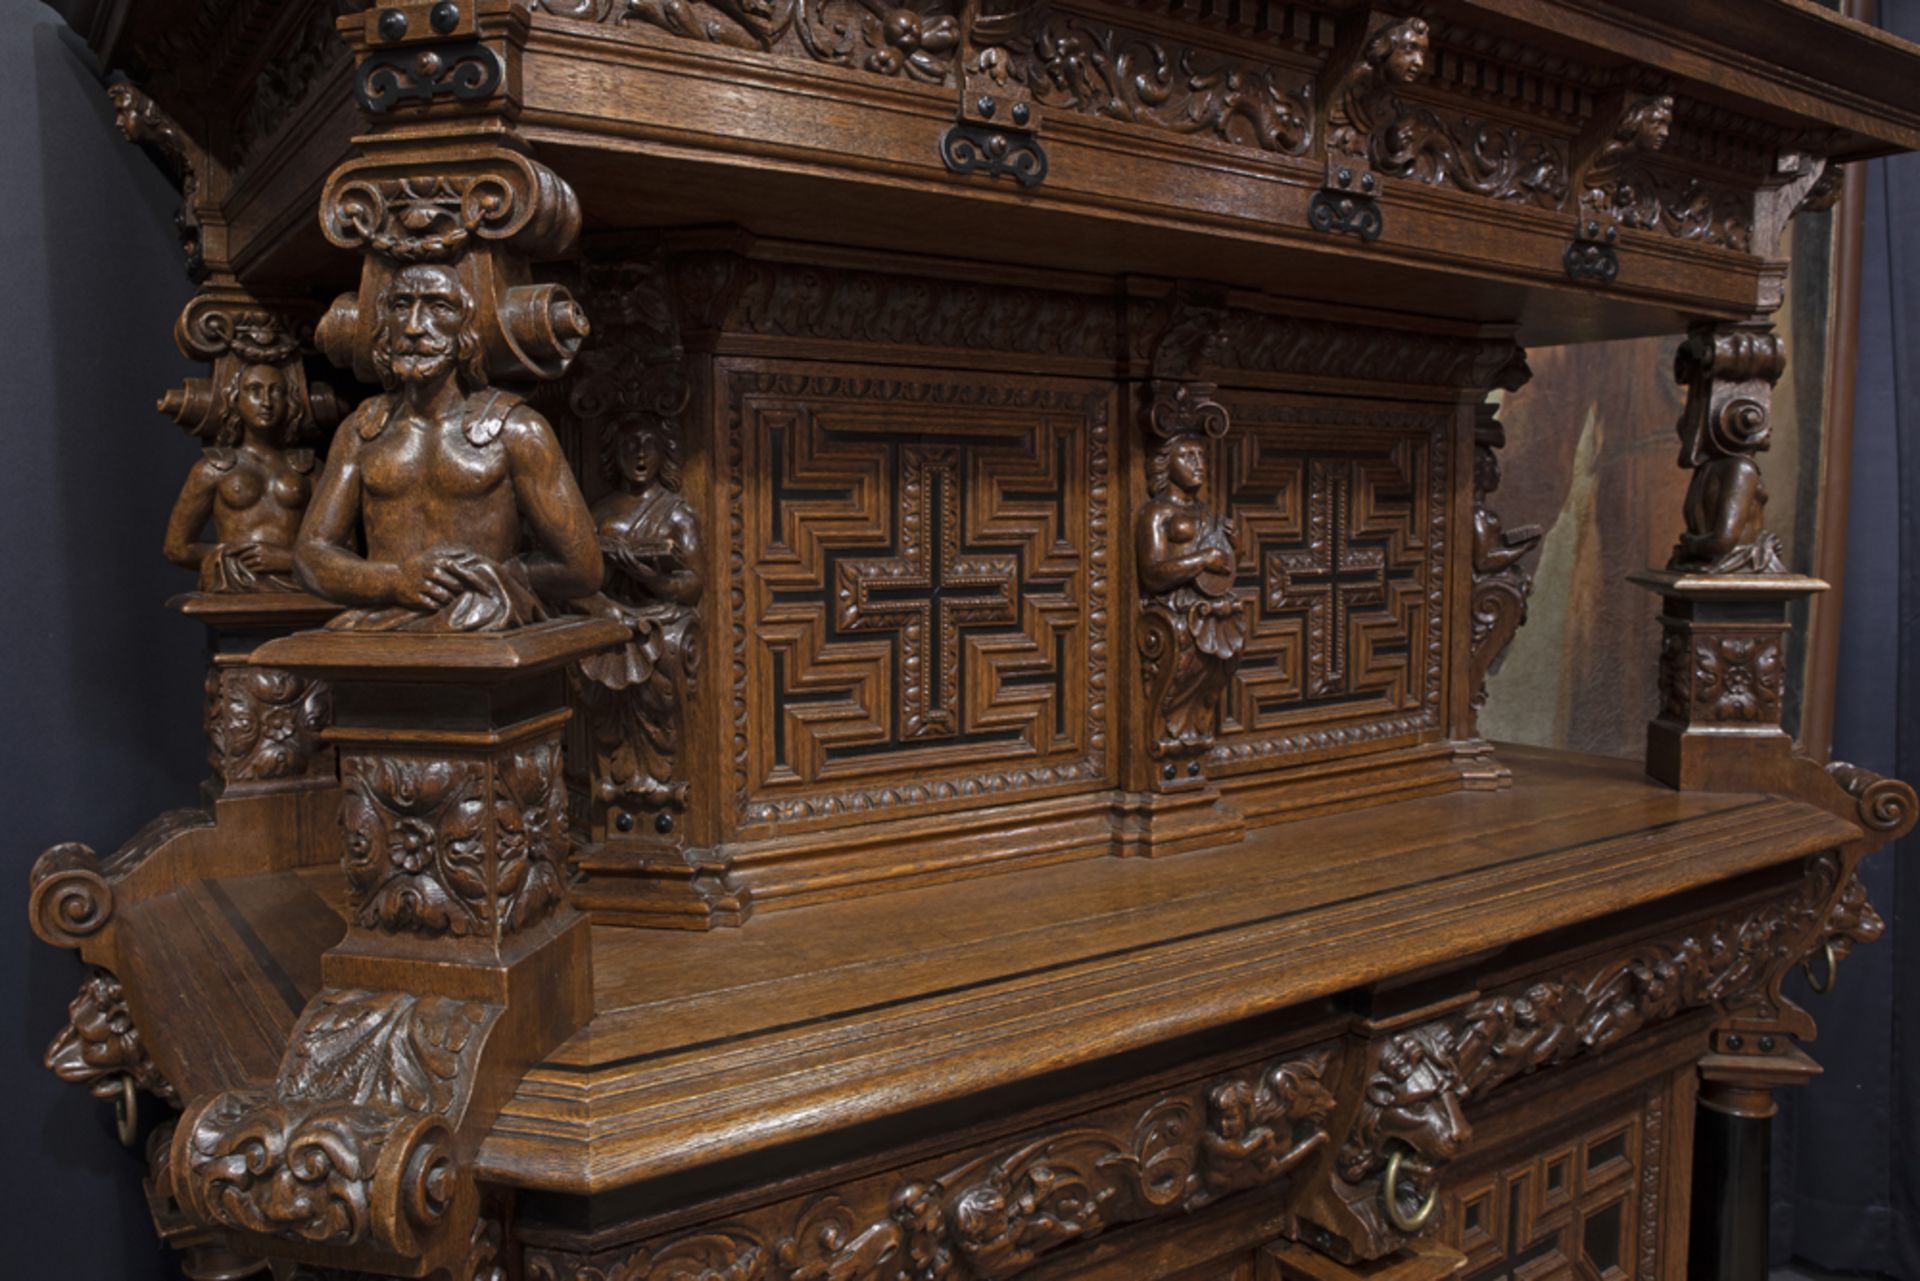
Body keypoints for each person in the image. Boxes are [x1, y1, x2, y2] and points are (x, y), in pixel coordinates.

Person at [295, 262, 602, 630]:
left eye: (439, 307)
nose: (413, 327)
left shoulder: (517, 431)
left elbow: (581, 568)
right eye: (400, 306)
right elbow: (310, 557)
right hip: (381, 630)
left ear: (467, 326)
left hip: (482, 627)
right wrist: (395, 580)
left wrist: (486, 578)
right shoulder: (361, 432)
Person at [163, 360, 314, 593]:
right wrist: (233, 558)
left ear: (289, 401)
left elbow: (343, 547)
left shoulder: (308, 468)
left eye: (275, 391)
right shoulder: (213, 469)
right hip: (235, 580)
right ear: (236, 399)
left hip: (299, 584)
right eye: (254, 391)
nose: (266, 402)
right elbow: (177, 547)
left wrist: (288, 559)